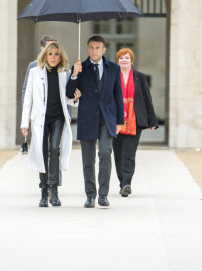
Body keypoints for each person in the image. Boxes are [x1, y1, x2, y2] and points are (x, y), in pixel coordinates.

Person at [66, 36, 124, 208]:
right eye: (91, 47)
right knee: (88, 159)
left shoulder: (114, 68)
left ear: (104, 49)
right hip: (87, 117)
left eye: (97, 48)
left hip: (107, 118)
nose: (94, 51)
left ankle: (103, 195)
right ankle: (90, 195)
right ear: (87, 48)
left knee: (105, 153)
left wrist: (120, 121)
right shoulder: (80, 67)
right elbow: (70, 93)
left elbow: (118, 96)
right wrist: (74, 74)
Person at [21, 42, 79, 207]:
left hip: (58, 118)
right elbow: (28, 99)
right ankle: (44, 191)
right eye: (50, 54)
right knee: (42, 152)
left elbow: (68, 98)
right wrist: (24, 122)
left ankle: (54, 190)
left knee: (55, 149)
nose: (53, 57)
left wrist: (75, 98)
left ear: (61, 57)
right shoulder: (35, 72)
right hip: (40, 119)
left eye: (56, 54)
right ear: (45, 55)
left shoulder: (65, 73)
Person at [112, 48, 158, 197]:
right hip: (116, 120)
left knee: (129, 152)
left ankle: (127, 183)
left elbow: (146, 98)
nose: (123, 60)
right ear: (117, 61)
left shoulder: (140, 77)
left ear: (132, 60)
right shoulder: (112, 76)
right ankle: (122, 181)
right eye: (121, 58)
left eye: (126, 58)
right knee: (118, 153)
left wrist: (152, 120)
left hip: (134, 120)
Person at [22, 35, 57, 105]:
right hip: (38, 111)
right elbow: (26, 90)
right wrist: (28, 112)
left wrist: (69, 114)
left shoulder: (63, 67)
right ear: (42, 48)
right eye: (49, 47)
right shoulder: (33, 66)